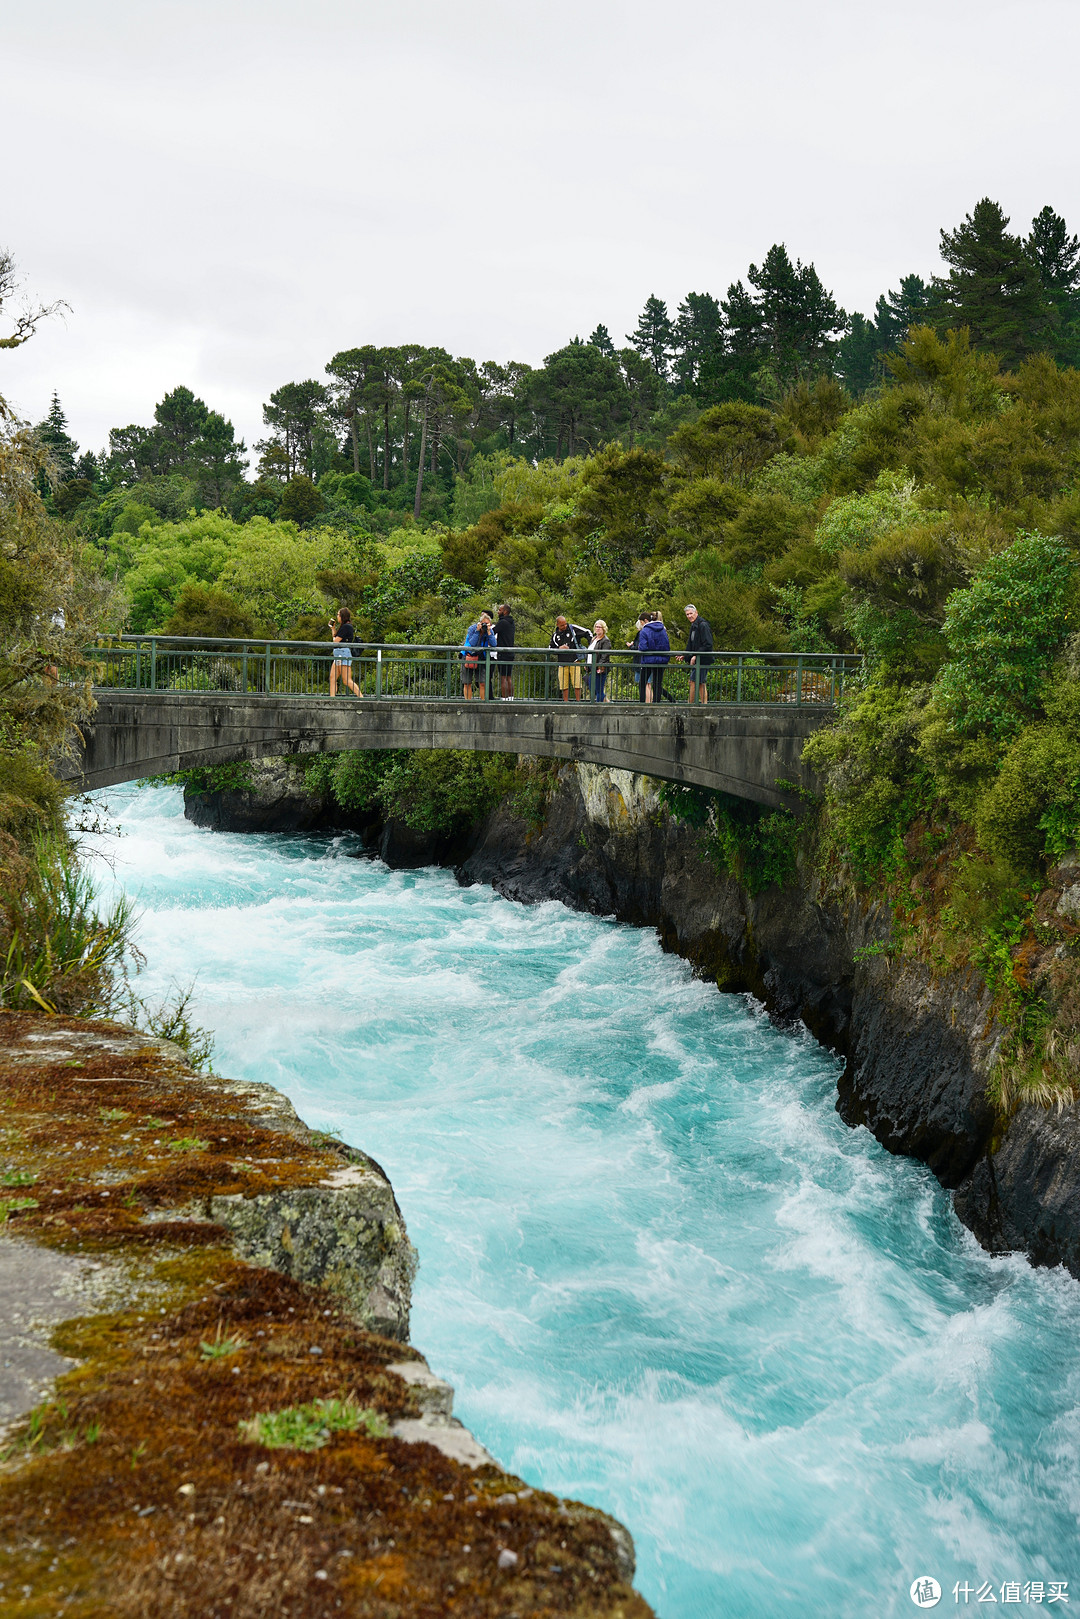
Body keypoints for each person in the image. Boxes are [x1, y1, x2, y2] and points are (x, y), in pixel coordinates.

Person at [677, 603, 714, 704]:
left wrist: (696, 655)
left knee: (696, 682)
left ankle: (693, 704)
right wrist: (685, 655)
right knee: (698, 682)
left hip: (703, 659)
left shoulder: (703, 625)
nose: (689, 616)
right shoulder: (694, 626)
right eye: (687, 614)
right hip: (698, 658)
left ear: (696, 612)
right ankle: (701, 704)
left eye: (691, 613)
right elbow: (691, 644)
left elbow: (708, 644)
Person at [637, 610, 670, 704]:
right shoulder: (663, 630)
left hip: (648, 660)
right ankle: (656, 703)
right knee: (657, 683)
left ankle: (642, 703)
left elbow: (643, 647)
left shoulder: (645, 631)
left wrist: (639, 647)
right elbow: (667, 646)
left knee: (642, 683)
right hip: (661, 659)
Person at [460, 612, 495, 700]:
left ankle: (483, 703)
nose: (485, 625)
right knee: (467, 682)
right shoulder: (472, 628)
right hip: (468, 655)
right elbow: (472, 643)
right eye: (484, 623)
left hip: (481, 657)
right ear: (480, 623)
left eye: (487, 624)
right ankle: (468, 703)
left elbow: (494, 644)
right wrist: (477, 631)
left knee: (482, 682)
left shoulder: (489, 631)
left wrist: (489, 632)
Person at [549, 614, 582, 701]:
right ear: (557, 625)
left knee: (577, 683)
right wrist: (559, 648)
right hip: (562, 663)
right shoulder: (555, 635)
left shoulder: (572, 629)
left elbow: (587, 632)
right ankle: (565, 702)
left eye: (565, 624)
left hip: (574, 661)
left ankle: (578, 701)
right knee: (564, 684)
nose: (565, 626)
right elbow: (550, 648)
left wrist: (590, 644)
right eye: (562, 625)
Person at [329, 606, 360, 697]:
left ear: (342, 616)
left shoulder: (347, 627)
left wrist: (334, 637)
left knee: (346, 680)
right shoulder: (344, 627)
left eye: (338, 615)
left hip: (343, 653)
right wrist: (333, 629)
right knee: (332, 678)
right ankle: (332, 698)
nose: (337, 617)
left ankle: (361, 697)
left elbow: (335, 641)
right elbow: (336, 639)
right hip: (338, 653)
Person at [494, 603, 515, 699]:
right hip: (510, 652)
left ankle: (504, 698)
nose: (498, 612)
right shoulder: (511, 622)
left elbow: (493, 631)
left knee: (503, 677)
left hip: (503, 652)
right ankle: (511, 698)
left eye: (499, 610)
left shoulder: (502, 622)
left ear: (505, 611)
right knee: (509, 677)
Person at [587, 620, 612, 702]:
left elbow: (605, 655)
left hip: (599, 668)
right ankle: (607, 702)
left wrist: (600, 666)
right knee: (592, 687)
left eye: (599, 627)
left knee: (598, 688)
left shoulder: (605, 640)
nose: (597, 629)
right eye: (596, 627)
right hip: (591, 666)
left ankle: (599, 706)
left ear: (603, 628)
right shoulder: (594, 638)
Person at [627, 614, 647, 702]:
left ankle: (646, 703)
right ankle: (649, 702)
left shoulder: (641, 633)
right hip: (644, 661)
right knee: (647, 684)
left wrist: (631, 646)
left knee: (645, 684)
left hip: (641, 661)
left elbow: (639, 647)